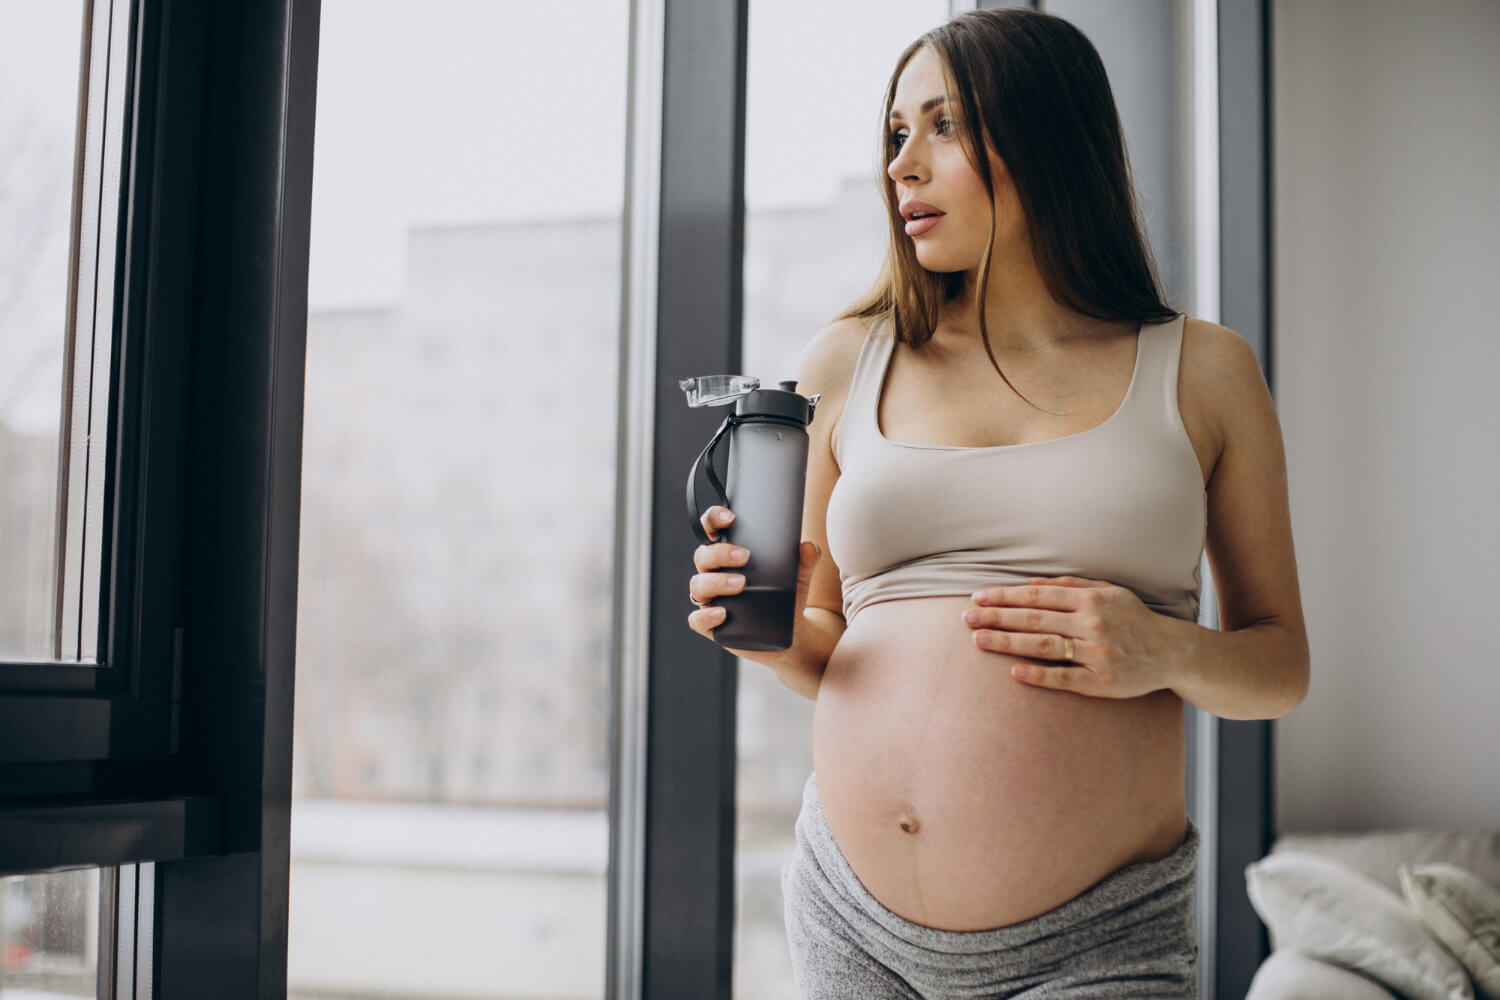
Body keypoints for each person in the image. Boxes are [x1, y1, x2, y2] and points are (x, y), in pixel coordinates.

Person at [687, 8, 1308, 998]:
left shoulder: (1204, 371)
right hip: (850, 919)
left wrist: (1167, 649)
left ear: (1046, 135)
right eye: (895, 134)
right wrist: (759, 630)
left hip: (1098, 940)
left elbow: (1281, 666)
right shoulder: (847, 359)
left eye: (942, 126)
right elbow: (825, 640)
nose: (903, 165)